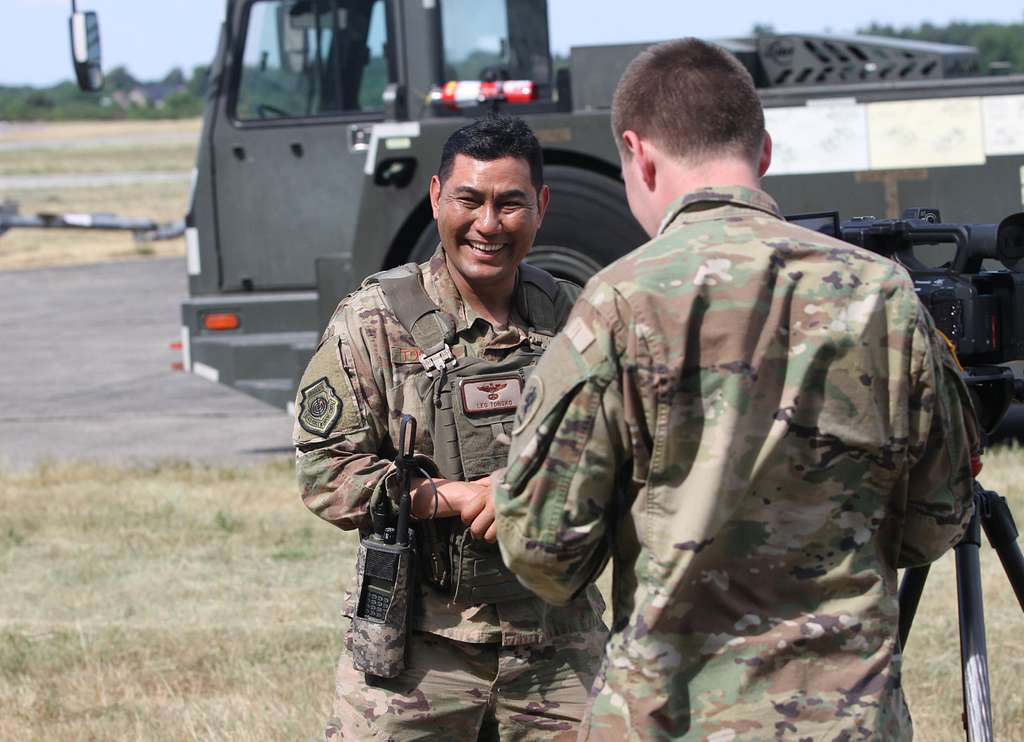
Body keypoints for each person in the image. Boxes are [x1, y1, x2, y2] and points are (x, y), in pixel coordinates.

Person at [492, 39, 980, 740]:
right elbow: (938, 518)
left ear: (639, 153)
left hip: (672, 719)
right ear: (766, 151)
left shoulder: (619, 302)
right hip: (846, 720)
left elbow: (541, 551)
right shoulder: (883, 294)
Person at [293, 115, 606, 741]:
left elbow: (627, 454)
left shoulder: (576, 318)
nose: (488, 225)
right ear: (437, 197)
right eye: (470, 199)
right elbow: (324, 471)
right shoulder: (375, 322)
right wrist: (450, 497)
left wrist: (522, 490)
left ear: (541, 207)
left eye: (510, 203)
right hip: (419, 646)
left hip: (558, 641)